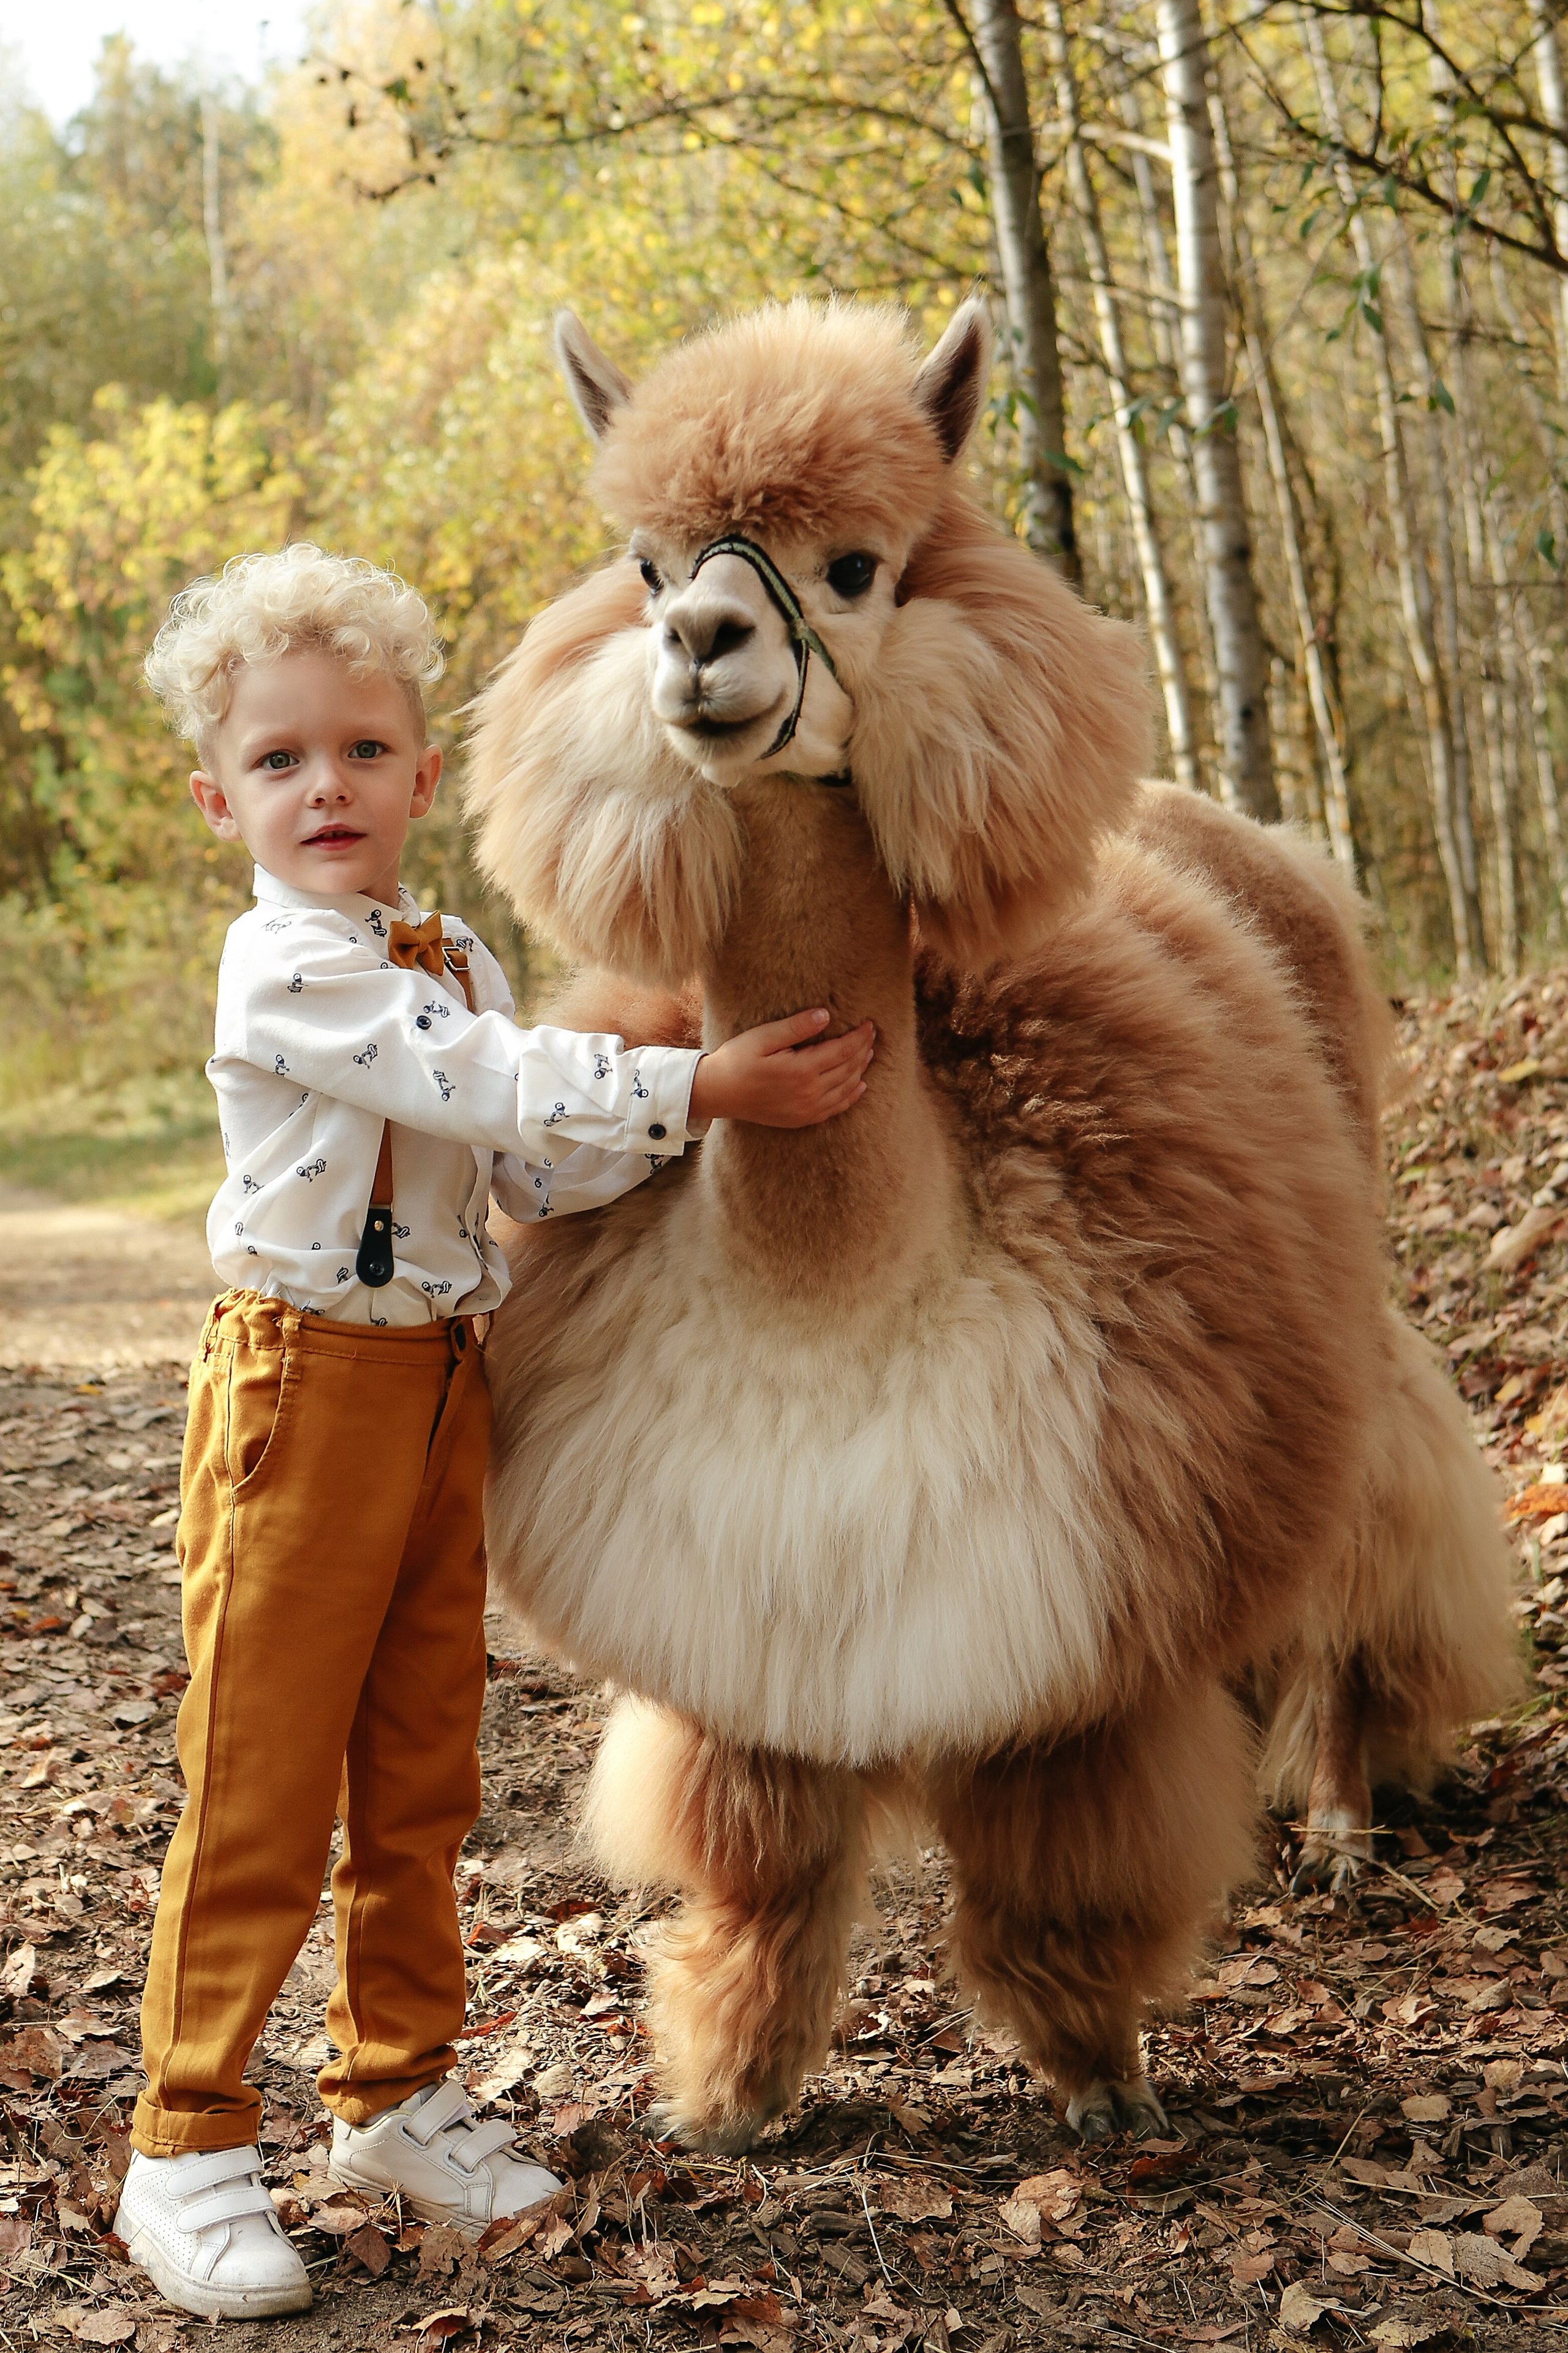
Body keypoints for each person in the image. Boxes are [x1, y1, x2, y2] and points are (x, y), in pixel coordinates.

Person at [115, 544, 875, 2318]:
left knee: (418, 1763)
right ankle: (187, 2136)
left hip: (449, 1374)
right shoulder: (285, 970)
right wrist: (694, 1077)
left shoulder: (442, 947)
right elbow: (471, 1079)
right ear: (220, 790)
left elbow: (524, 1152)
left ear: (422, 774)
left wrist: (686, 1124)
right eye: (284, 759)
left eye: (365, 750)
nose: (328, 788)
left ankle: (394, 2086)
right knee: (257, 1775)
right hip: (303, 1387)